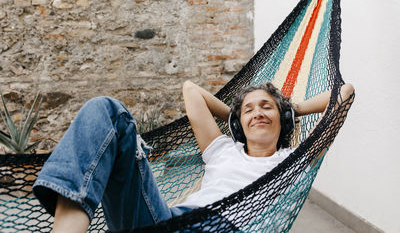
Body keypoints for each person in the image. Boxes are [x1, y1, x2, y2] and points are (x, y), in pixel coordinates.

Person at [33, 80, 354, 232]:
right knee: (105, 110)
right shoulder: (222, 149)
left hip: (218, 228)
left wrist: (288, 107)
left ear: (282, 118)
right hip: (167, 220)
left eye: (266, 107)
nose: (257, 113)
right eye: (250, 110)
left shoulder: (292, 161)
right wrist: (237, 115)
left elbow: (344, 93)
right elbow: (191, 90)